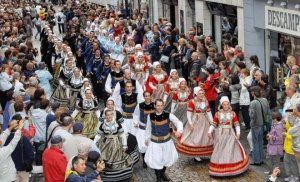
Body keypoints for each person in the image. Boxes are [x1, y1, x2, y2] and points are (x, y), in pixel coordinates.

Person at [208, 96, 249, 176]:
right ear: (221, 105)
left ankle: (230, 168)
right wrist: (209, 132)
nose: (226, 106)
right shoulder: (218, 114)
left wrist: (238, 133)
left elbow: (236, 124)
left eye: (227, 104)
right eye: (224, 104)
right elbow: (214, 124)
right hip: (220, 134)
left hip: (230, 133)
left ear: (229, 105)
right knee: (220, 150)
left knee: (229, 149)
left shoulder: (232, 114)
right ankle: (221, 168)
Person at [145, 99, 183, 182]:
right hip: (155, 142)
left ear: (163, 106)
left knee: (166, 159)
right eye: (158, 105)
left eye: (161, 105)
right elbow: (148, 128)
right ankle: (158, 178)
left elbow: (178, 122)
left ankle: (162, 174)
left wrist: (179, 131)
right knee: (156, 160)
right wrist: (147, 138)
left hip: (166, 142)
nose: (160, 107)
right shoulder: (150, 116)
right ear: (155, 106)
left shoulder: (168, 115)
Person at [176, 87, 214, 162]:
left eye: (203, 93)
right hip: (195, 120)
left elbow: (209, 112)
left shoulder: (206, 101)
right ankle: (195, 154)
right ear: (196, 94)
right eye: (200, 94)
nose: (202, 95)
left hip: (204, 120)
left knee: (204, 136)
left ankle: (201, 153)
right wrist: (190, 123)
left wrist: (212, 122)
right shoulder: (192, 102)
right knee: (195, 137)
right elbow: (188, 113)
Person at [96, 109, 134, 181]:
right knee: (104, 156)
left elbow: (122, 135)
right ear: (105, 116)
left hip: (116, 143)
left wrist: (124, 145)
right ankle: (108, 175)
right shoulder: (103, 125)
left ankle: (117, 175)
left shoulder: (117, 124)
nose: (109, 116)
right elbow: (98, 135)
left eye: (111, 115)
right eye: (108, 115)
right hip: (106, 143)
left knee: (116, 157)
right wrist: (94, 144)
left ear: (112, 115)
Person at [249, 86, 269, 165]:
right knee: (260, 142)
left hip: (255, 124)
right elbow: (267, 112)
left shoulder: (254, 102)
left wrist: (249, 110)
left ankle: (257, 160)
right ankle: (261, 159)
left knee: (255, 142)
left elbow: (252, 115)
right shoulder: (265, 100)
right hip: (262, 123)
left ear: (253, 93)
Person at [136, 91, 155, 168]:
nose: (147, 97)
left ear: (151, 96)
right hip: (142, 127)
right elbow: (136, 114)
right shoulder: (140, 105)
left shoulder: (154, 105)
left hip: (151, 128)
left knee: (151, 144)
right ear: (144, 97)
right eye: (146, 96)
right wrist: (136, 122)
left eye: (148, 96)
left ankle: (151, 159)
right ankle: (144, 160)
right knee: (143, 145)